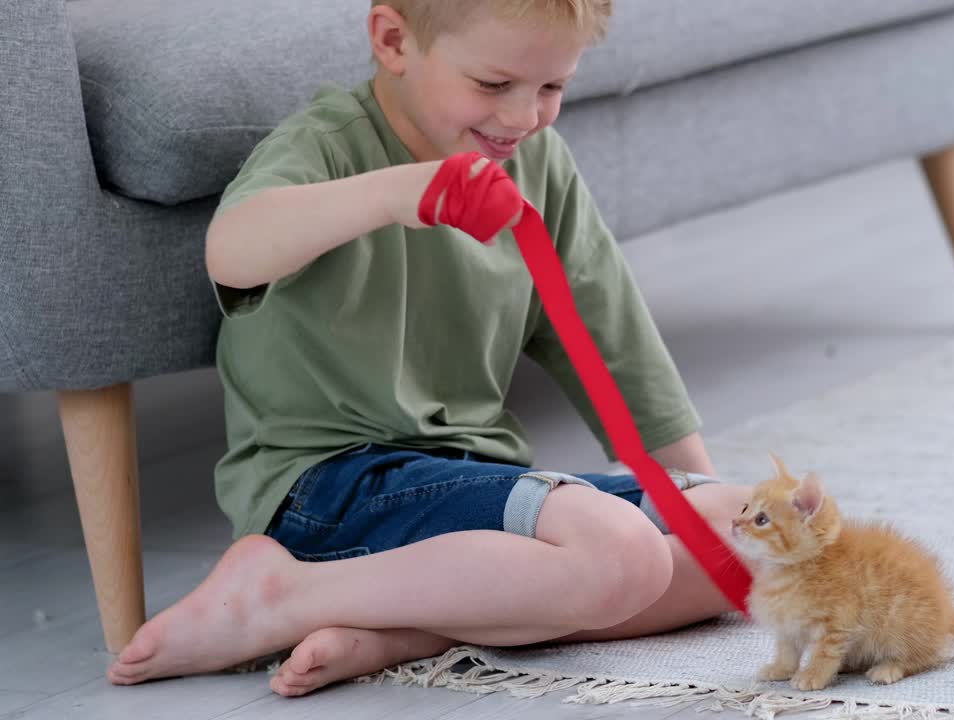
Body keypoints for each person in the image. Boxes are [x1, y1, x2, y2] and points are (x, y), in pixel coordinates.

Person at [106, 0, 751, 698]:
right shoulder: (325, 146)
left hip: (471, 481)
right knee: (622, 557)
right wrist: (403, 194)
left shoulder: (538, 163)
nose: (522, 118)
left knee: (758, 537)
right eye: (494, 85)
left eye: (552, 88)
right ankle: (280, 596)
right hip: (330, 488)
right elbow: (232, 251)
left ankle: (413, 629)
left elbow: (610, 337)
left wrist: (696, 495)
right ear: (393, 40)